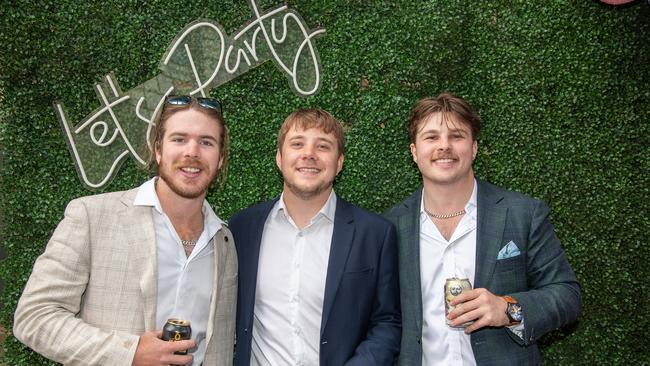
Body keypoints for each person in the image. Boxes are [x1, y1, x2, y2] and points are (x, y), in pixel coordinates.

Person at [13, 95, 237, 366]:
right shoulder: (93, 216)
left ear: (221, 158)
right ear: (158, 150)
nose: (192, 152)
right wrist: (128, 353)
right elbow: (34, 317)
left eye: (206, 142)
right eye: (179, 139)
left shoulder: (224, 241)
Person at [384, 93, 581, 365]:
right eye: (431, 137)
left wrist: (508, 310)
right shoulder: (390, 226)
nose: (444, 146)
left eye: (456, 136)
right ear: (414, 152)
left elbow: (567, 296)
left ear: (474, 147)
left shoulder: (523, 213)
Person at [229, 109, 401, 366]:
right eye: (297, 144)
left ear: (340, 162)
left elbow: (387, 321)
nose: (309, 154)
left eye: (323, 146)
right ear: (279, 157)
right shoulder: (243, 228)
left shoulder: (375, 233)